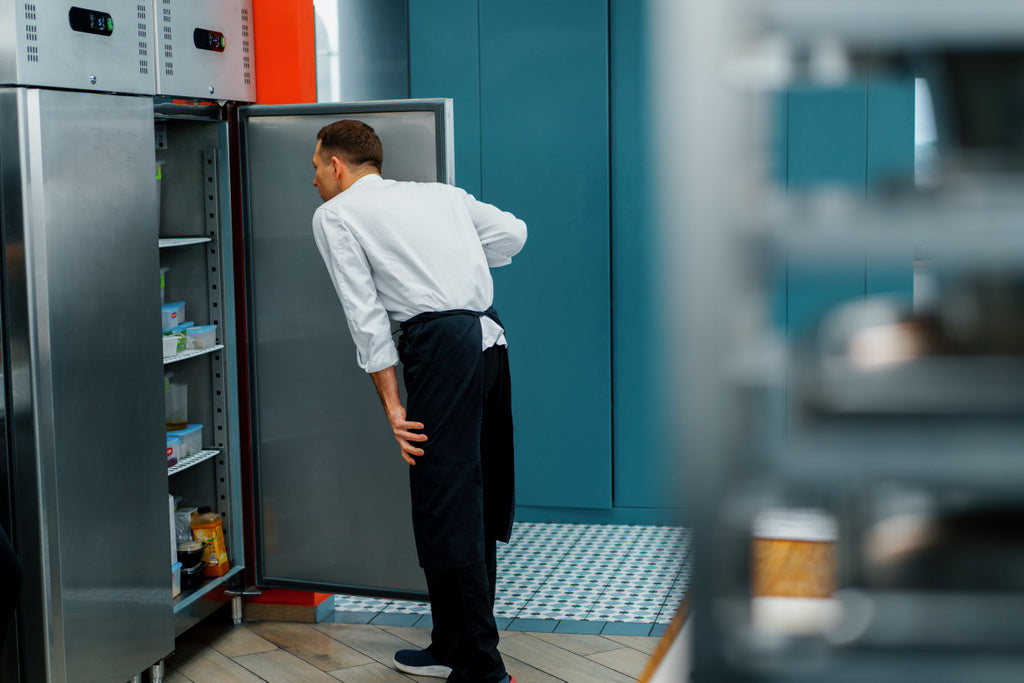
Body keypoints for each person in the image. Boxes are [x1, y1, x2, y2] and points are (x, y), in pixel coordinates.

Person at [311, 120, 526, 683]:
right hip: (489, 340)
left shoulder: (336, 215)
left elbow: (366, 317)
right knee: (470, 494)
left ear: (337, 165)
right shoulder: (441, 196)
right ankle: (453, 644)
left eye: (315, 167)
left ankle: (481, 665)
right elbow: (514, 234)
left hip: (441, 348)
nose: (313, 180)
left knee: (445, 501)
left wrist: (392, 405)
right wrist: (454, 257)